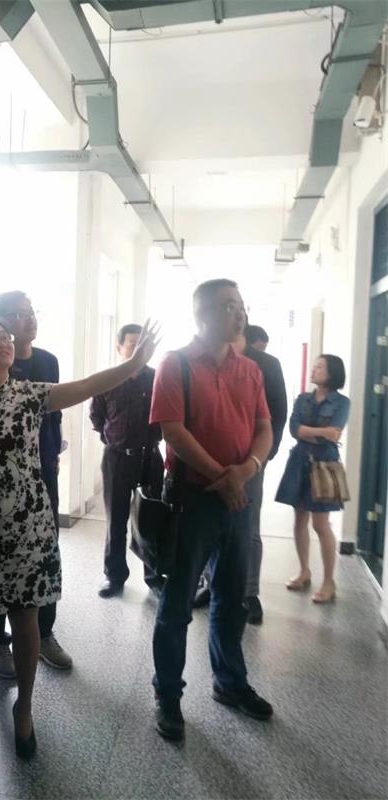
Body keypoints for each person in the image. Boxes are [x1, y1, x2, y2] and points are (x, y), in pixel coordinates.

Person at [0, 317, 158, 759]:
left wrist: (133, 365)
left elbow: (88, 385)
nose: (4, 343)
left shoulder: (33, 394)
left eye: (6, 337)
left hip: (30, 526)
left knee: (27, 618)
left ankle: (25, 706)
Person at [149, 279, 273, 743]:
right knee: (178, 603)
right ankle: (168, 695)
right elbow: (173, 431)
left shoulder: (250, 369)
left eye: (241, 305)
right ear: (201, 314)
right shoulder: (176, 364)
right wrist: (224, 476)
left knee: (232, 598)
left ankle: (230, 682)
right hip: (193, 500)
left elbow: (264, 428)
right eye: (227, 306)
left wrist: (247, 470)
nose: (238, 314)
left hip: (238, 501)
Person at [0, 291, 70, 679]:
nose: (29, 319)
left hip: (42, 473)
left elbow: (55, 413)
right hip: (1, 478)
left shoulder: (48, 361)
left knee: (45, 554)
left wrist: (54, 450)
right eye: (18, 314)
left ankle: (44, 634)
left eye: (30, 312)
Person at [193, 322, 287, 624]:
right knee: (210, 525)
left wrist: (261, 460)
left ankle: (249, 592)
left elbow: (277, 416)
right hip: (210, 464)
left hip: (251, 464)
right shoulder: (201, 359)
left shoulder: (265, 365)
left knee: (249, 529)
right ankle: (210, 584)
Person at [89, 323, 164, 598]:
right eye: (132, 343)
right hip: (117, 459)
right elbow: (96, 417)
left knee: (151, 520)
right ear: (119, 347)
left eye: (143, 343)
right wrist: (113, 439)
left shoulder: (159, 378)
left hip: (150, 457)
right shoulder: (108, 379)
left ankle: (154, 576)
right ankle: (114, 576)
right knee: (116, 521)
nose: (137, 348)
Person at [275, 354, 350, 604]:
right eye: (315, 366)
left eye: (320, 367)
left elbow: (334, 433)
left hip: (325, 463)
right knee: (299, 518)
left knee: (320, 524)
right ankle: (304, 571)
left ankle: (329, 581)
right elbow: (294, 429)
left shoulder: (342, 402)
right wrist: (321, 432)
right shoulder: (302, 399)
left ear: (332, 373)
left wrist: (311, 432)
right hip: (300, 461)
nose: (314, 369)